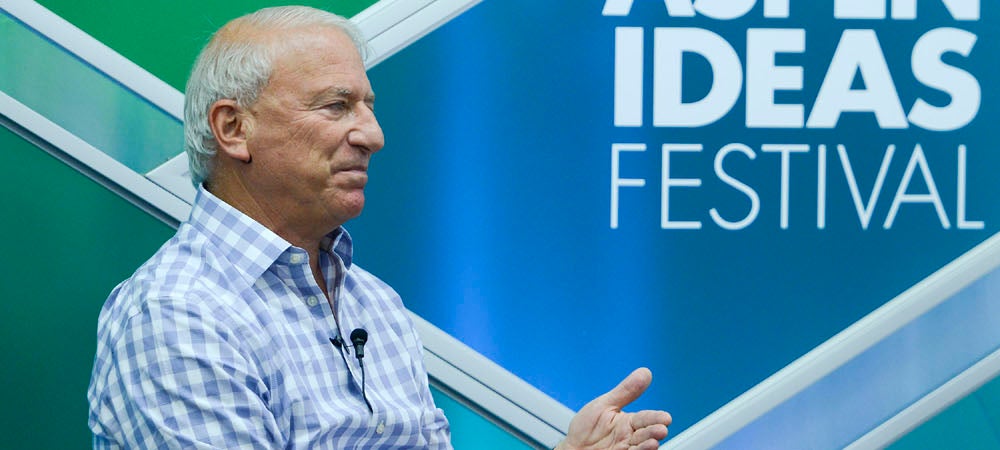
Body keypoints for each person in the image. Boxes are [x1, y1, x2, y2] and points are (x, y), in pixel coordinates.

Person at [86, 6, 671, 449]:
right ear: (234, 129)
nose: (373, 135)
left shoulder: (375, 302)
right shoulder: (176, 316)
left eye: (368, 106)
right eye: (336, 106)